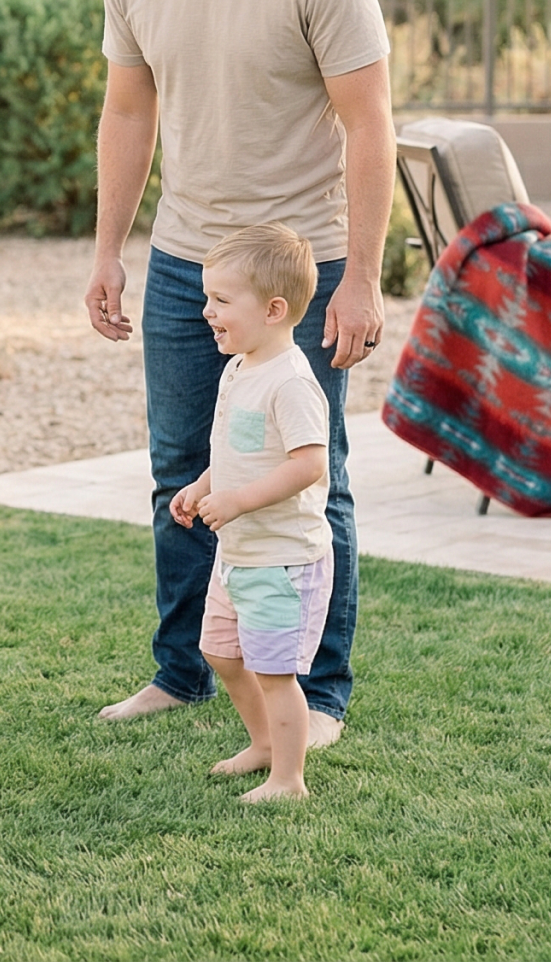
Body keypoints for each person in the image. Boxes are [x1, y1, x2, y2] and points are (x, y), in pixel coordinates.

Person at [84, 0, 394, 747]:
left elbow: (368, 124)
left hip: (295, 268)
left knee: (314, 474)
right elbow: (128, 111)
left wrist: (362, 275)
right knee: (180, 467)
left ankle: (319, 694)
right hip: (184, 260)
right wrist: (107, 253)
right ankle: (183, 672)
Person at [167, 224, 332, 802]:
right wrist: (202, 485)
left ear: (274, 309)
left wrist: (237, 501)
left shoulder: (290, 382)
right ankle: (263, 744)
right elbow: (236, 451)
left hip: (282, 560)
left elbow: (309, 464)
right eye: (208, 296)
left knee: (274, 672)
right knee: (220, 651)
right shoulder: (239, 367)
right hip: (240, 554)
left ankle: (289, 779)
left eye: (221, 300)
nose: (207, 310)